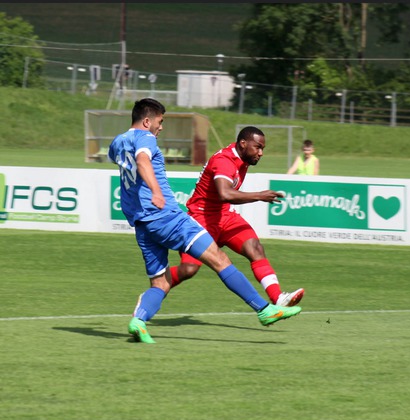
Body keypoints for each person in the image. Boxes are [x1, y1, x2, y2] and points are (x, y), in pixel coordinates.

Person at [108, 99, 301, 344]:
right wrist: (156, 191)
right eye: (160, 122)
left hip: (142, 224)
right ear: (147, 121)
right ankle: (264, 310)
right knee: (219, 259)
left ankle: (139, 321)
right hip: (168, 217)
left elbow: (124, 163)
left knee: (160, 281)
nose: (161, 127)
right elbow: (143, 161)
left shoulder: (117, 143)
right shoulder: (146, 138)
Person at [168, 126, 305, 307]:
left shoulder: (243, 158)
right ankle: (159, 282)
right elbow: (225, 193)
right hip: (202, 219)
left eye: (262, 148)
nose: (261, 152)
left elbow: (224, 199)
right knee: (189, 269)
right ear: (243, 143)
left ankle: (278, 298)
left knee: (255, 248)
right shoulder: (224, 161)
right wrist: (259, 195)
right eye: (257, 147)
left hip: (224, 215)